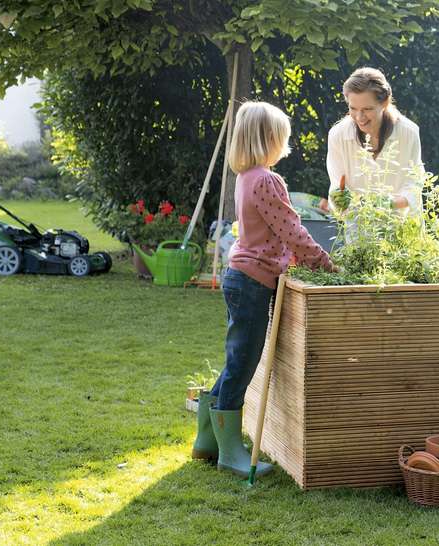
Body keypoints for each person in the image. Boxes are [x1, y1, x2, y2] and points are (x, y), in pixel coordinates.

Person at [191, 101, 335, 477]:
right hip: (253, 281)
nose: (285, 145)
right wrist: (323, 261)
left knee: (235, 356)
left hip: (242, 277)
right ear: (269, 139)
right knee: (243, 361)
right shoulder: (266, 181)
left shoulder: (246, 177)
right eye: (282, 138)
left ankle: (208, 440)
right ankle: (230, 452)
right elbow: (291, 229)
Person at [326, 67, 424, 214]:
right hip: (358, 228)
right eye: (353, 108)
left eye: (367, 109)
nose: (359, 117)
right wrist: (338, 198)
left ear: (384, 103)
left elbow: (414, 184)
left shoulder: (408, 133)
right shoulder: (337, 135)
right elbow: (336, 184)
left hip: (402, 227)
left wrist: (386, 204)